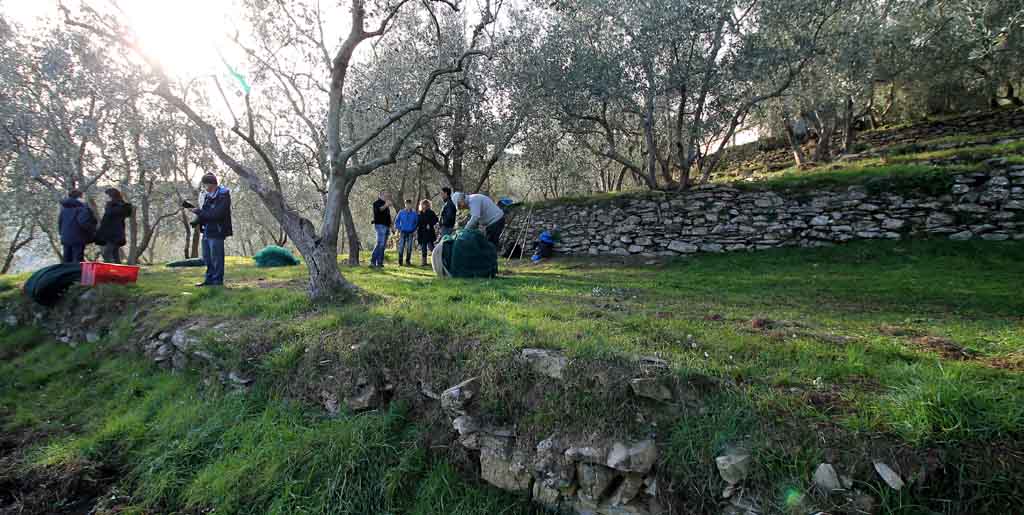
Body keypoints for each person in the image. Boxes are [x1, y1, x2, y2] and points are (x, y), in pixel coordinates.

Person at [192, 173, 232, 287]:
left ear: (211, 184)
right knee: (207, 257)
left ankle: (217, 282)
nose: (204, 187)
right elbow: (205, 212)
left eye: (205, 185)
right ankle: (208, 280)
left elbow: (216, 215)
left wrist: (198, 212)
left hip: (217, 231)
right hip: (206, 231)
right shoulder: (207, 196)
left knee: (217, 258)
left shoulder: (223, 196)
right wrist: (197, 219)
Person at [57, 189, 97, 263]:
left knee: (67, 259)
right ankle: (77, 273)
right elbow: (84, 222)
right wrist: (93, 231)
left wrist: (61, 233)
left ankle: (66, 273)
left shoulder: (64, 209)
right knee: (77, 260)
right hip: (78, 237)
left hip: (66, 237)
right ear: (79, 198)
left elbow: (60, 223)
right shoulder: (82, 209)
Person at [95, 188, 133, 264]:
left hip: (114, 234)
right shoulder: (116, 205)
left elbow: (111, 214)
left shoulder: (119, 206)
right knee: (115, 254)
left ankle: (110, 271)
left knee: (107, 254)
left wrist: (108, 206)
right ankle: (118, 272)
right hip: (112, 233)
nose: (108, 198)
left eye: (109, 195)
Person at [394, 199, 420, 266]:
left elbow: (417, 223)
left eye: (409, 204)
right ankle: (400, 262)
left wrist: (414, 229)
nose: (408, 205)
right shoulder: (401, 212)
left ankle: (408, 261)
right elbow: (396, 221)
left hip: (410, 232)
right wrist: (399, 228)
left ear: (411, 205)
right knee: (401, 247)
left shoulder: (414, 213)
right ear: (405, 204)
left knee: (409, 247)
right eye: (407, 204)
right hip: (403, 232)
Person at [370, 191, 393, 268]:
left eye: (387, 195)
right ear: (380, 195)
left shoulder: (385, 204)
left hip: (386, 226)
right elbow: (378, 211)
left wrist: (391, 226)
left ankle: (379, 262)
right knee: (380, 243)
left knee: (383, 245)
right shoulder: (376, 203)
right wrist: (386, 205)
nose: (386, 196)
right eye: (385, 195)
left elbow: (388, 216)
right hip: (380, 225)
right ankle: (373, 261)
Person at [416, 199, 439, 266]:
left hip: (429, 232)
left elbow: (436, 219)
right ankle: (424, 262)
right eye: (423, 204)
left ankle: (437, 260)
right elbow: (418, 222)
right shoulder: (420, 213)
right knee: (423, 247)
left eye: (426, 204)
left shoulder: (431, 212)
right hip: (421, 232)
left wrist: (430, 224)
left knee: (431, 246)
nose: (424, 205)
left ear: (428, 205)